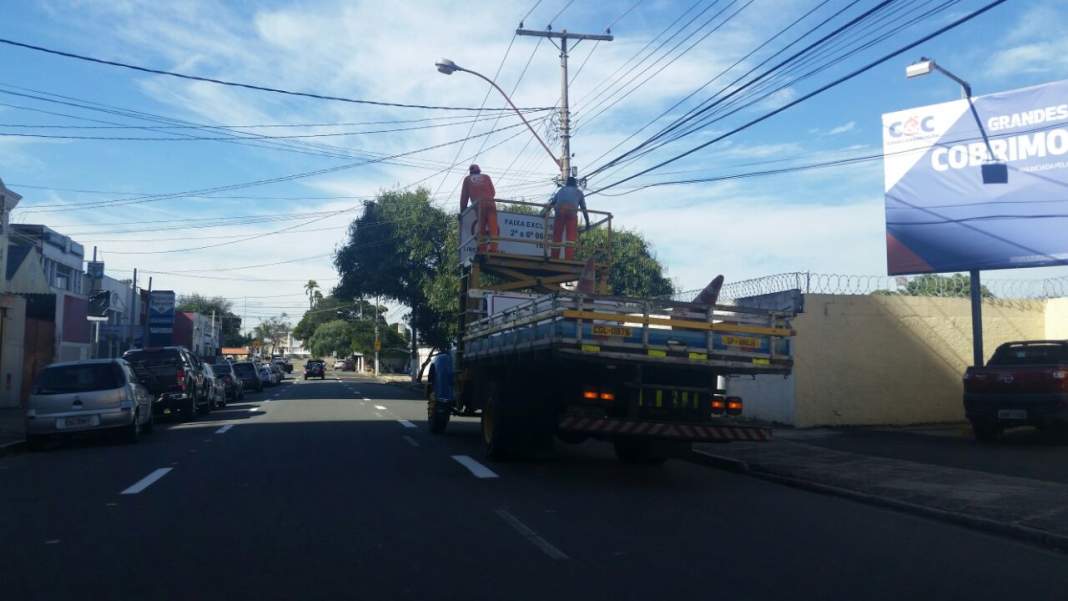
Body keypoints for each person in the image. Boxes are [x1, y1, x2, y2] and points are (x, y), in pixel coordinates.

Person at [547, 176, 589, 260]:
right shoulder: (579, 192)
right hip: (571, 212)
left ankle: (554, 257)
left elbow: (552, 203)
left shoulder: (561, 190)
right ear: (575, 184)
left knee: (557, 236)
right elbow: (584, 208)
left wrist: (544, 213)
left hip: (560, 212)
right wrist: (587, 223)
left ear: (567, 183)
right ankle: (568, 258)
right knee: (570, 238)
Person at [460, 164, 499, 253]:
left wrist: (462, 211)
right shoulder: (486, 177)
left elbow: (464, 197)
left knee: (481, 227)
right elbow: (493, 192)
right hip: (490, 204)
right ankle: (494, 249)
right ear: (479, 170)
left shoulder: (467, 179)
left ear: (470, 172)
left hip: (480, 206)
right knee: (493, 227)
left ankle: (482, 248)